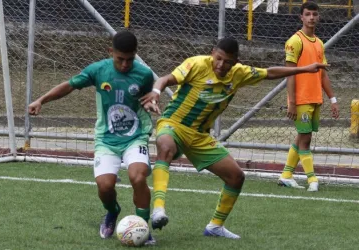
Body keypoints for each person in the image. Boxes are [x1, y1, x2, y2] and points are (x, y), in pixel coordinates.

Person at [139, 37, 329, 239]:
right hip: (174, 123)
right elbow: (166, 79)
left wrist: (305, 69)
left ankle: (215, 227)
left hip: (201, 136)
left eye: (227, 61)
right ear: (213, 53)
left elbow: (270, 73)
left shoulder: (239, 74)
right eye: (218, 59)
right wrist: (156, 91)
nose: (221, 65)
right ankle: (158, 209)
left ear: (235, 61)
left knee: (236, 177)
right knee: (165, 145)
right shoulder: (196, 64)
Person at [28, 31, 158, 244]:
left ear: (135, 54)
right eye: (120, 59)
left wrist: (150, 103)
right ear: (111, 52)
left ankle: (143, 229)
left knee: (138, 176)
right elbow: (70, 85)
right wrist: (41, 100)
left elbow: (147, 98)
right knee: (105, 187)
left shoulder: (144, 74)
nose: (125, 64)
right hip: (106, 139)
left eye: (130, 59)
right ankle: (112, 212)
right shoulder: (98, 70)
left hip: (135, 136)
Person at [278, 1, 339, 192]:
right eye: (308, 14)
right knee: (306, 139)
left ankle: (286, 175)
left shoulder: (319, 43)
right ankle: (312, 179)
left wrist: (333, 99)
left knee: (301, 137)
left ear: (318, 17)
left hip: (315, 98)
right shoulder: (294, 41)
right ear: (301, 17)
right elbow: (290, 73)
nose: (311, 17)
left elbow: (323, 74)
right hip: (301, 99)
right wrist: (292, 102)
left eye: (314, 14)